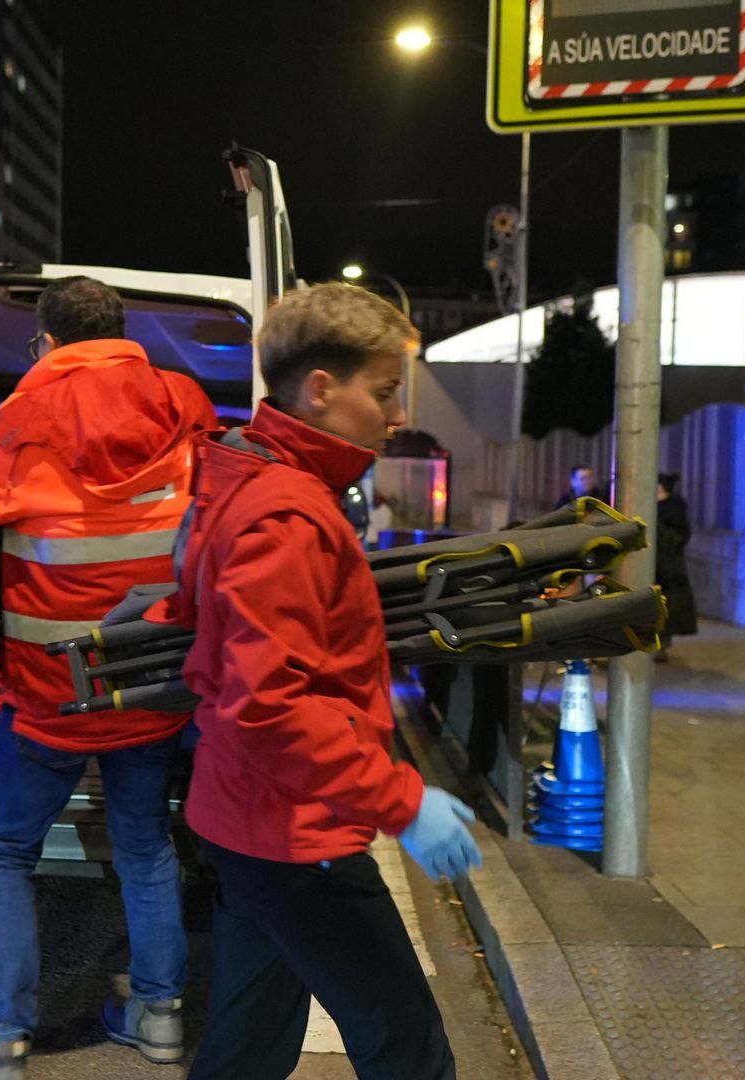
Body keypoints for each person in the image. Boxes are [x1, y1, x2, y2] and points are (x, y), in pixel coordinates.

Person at [0, 276, 216, 1080]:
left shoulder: (20, 423)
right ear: (121, 331)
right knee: (143, 846)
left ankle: (1, 1044)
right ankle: (161, 1016)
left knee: (1, 851)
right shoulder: (184, 405)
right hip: (153, 681)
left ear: (45, 343)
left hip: (51, 693)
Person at [158, 283, 479, 1080]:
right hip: (295, 834)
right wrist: (404, 801)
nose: (397, 414)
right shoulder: (288, 516)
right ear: (321, 390)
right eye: (384, 391)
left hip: (251, 820)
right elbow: (269, 706)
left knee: (248, 1047)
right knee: (408, 1049)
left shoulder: (252, 481)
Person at [654, 472, 698, 655]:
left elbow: (681, 535)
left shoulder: (674, 507)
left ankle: (662, 643)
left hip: (668, 566)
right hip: (654, 563)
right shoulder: (651, 505)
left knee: (667, 605)